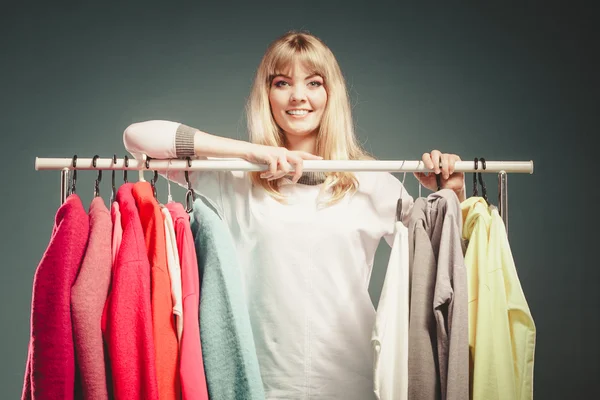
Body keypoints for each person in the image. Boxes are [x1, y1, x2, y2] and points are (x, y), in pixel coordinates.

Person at [124, 30, 466, 399]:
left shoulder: (370, 182)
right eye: (282, 82)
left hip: (352, 380)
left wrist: (452, 193)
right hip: (259, 381)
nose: (298, 96)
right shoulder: (235, 177)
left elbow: (444, 262)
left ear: (330, 94)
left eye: (313, 83)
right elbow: (138, 138)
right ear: (266, 95)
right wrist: (251, 153)